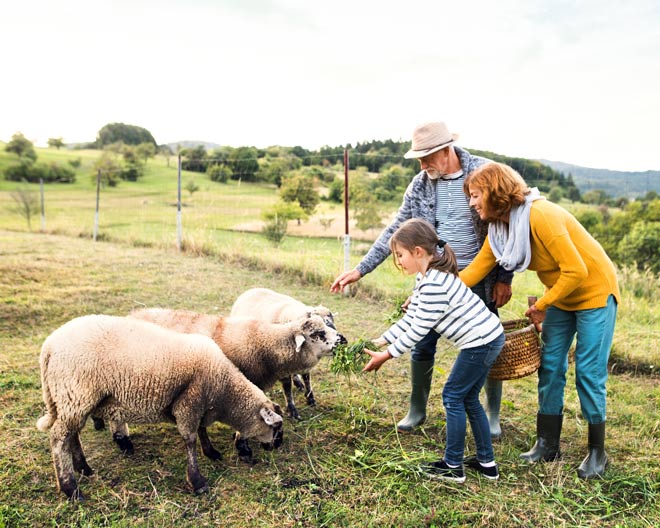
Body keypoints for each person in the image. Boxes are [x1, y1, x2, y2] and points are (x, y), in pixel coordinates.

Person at [330, 121, 513, 438]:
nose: (422, 164)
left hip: (480, 280)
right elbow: (395, 230)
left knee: (485, 343)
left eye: (427, 157)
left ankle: (492, 415)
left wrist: (504, 277)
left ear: (446, 151)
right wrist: (361, 269)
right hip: (436, 278)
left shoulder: (484, 173)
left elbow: (506, 227)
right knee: (422, 340)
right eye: (419, 158)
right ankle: (417, 409)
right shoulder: (420, 184)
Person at [459, 162, 620, 479]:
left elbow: (577, 270)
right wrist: (430, 293)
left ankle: (597, 453)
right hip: (561, 295)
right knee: (550, 366)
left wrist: (543, 304)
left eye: (476, 195)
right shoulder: (501, 230)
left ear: (495, 191)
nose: (472, 202)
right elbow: (473, 272)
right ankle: (547, 443)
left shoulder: (541, 215)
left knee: (588, 370)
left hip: (595, 293)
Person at [362, 218, 505, 482]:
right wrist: (379, 341)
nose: (398, 261)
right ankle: (487, 463)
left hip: (481, 342)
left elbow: (418, 331)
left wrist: (387, 355)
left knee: (452, 396)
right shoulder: (426, 277)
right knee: (468, 398)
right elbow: (411, 319)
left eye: (400, 255)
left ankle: (453, 466)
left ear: (418, 252)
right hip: (487, 338)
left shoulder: (434, 285)